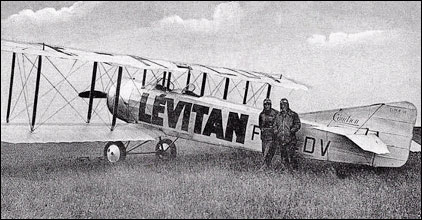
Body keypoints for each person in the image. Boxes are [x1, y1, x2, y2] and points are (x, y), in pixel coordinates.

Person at [272, 98, 301, 170]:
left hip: (290, 139)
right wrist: (276, 130)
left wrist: (292, 130)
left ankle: (294, 170)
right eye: (281, 104)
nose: (283, 106)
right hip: (281, 138)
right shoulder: (278, 115)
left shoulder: (293, 115)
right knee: (283, 155)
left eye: (284, 104)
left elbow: (298, 124)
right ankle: (285, 169)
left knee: (292, 155)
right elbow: (275, 124)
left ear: (287, 105)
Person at [258, 98, 278, 170]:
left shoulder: (275, 113)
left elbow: (277, 123)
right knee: (264, 152)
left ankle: (263, 168)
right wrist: (262, 129)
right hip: (264, 137)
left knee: (267, 152)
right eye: (265, 104)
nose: (267, 106)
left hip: (271, 137)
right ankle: (267, 167)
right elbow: (260, 124)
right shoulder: (261, 114)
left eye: (268, 104)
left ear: (270, 105)